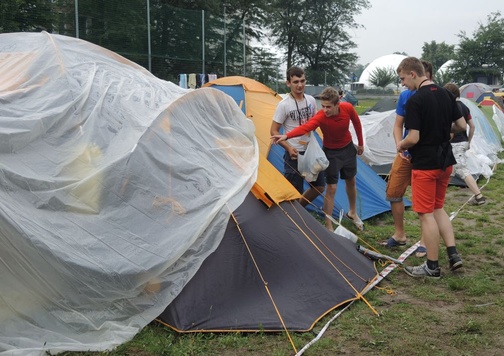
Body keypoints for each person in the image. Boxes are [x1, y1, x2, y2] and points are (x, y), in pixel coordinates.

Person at [396, 56, 466, 279]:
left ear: (413, 74)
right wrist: (443, 129)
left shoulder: (416, 100)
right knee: (438, 208)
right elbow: (462, 125)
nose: (403, 84)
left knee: (425, 214)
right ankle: (453, 254)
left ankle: (432, 266)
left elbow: (413, 137)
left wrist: (401, 144)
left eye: (403, 79)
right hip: (445, 162)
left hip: (425, 164)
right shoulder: (446, 93)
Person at [271, 87, 364, 231]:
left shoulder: (347, 108)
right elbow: (306, 126)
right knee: (331, 187)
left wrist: (361, 144)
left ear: (337, 104)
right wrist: (286, 136)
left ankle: (352, 212)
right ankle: (328, 225)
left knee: (351, 181)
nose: (325, 110)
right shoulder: (321, 116)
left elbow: (357, 123)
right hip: (331, 152)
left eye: (328, 107)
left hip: (347, 148)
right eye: (323, 106)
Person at [381, 60, 434, 258]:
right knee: (394, 192)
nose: (403, 83)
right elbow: (398, 125)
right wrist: (399, 146)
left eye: (403, 78)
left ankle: (424, 241)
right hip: (405, 153)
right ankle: (400, 234)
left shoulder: (434, 95)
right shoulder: (405, 96)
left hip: (425, 157)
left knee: (425, 203)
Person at [271, 66, 325, 207]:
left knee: (319, 187)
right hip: (294, 153)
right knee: (294, 191)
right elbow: (274, 131)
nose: (300, 85)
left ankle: (299, 210)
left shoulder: (311, 100)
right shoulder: (283, 105)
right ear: (288, 83)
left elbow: (316, 122)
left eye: (302, 81)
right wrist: (288, 148)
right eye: (295, 82)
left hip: (311, 151)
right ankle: (294, 219)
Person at [444, 82, 486, 205]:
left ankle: (479, 196)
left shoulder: (450, 107)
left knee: (462, 170)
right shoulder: (464, 107)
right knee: (447, 168)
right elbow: (472, 126)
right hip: (463, 141)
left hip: (455, 143)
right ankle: (440, 195)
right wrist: (469, 141)